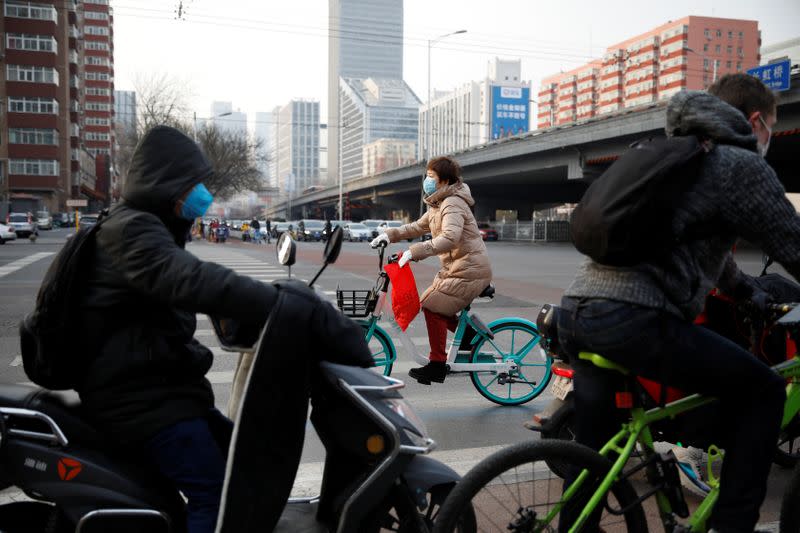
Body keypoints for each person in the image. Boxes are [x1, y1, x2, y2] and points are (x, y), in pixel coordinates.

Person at [557, 73, 795, 532]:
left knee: (590, 456)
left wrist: (749, 292)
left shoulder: (670, 155)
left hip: (578, 310)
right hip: (634, 317)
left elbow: (705, 255)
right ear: (757, 122)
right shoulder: (740, 165)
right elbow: (793, 244)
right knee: (763, 392)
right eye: (770, 129)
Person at [76, 126, 283, 533]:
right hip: (138, 402)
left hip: (162, 393)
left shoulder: (149, 228)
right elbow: (192, 280)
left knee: (242, 455)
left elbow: (177, 294)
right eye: (195, 185)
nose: (203, 193)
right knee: (213, 489)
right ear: (169, 185)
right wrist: (280, 302)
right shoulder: (132, 229)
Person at [371, 156, 492, 384]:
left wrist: (414, 252)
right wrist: (389, 235)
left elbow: (449, 237)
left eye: (431, 176)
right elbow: (416, 226)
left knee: (433, 307)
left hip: (470, 269)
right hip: (457, 268)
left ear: (444, 181)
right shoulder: (438, 204)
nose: (426, 180)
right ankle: (468, 336)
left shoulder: (452, 203)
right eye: (426, 175)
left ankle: (437, 364)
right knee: (428, 303)